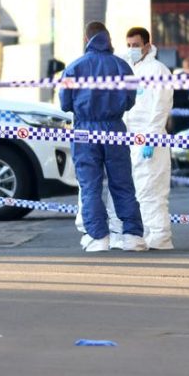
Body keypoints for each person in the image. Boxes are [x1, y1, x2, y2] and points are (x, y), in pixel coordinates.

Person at [76, 27, 175, 249]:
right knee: (123, 188)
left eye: (136, 45)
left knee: (150, 188)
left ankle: (159, 236)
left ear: (147, 46)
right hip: (124, 136)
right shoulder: (124, 67)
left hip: (149, 137)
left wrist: (151, 138)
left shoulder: (158, 71)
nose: (131, 49)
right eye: (129, 45)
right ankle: (125, 234)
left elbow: (161, 108)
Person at [61, 21, 147, 252]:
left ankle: (99, 238)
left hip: (85, 130)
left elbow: (64, 103)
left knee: (90, 185)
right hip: (115, 129)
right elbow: (130, 101)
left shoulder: (74, 67)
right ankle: (132, 235)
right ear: (108, 39)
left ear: (85, 39)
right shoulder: (122, 66)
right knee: (122, 183)